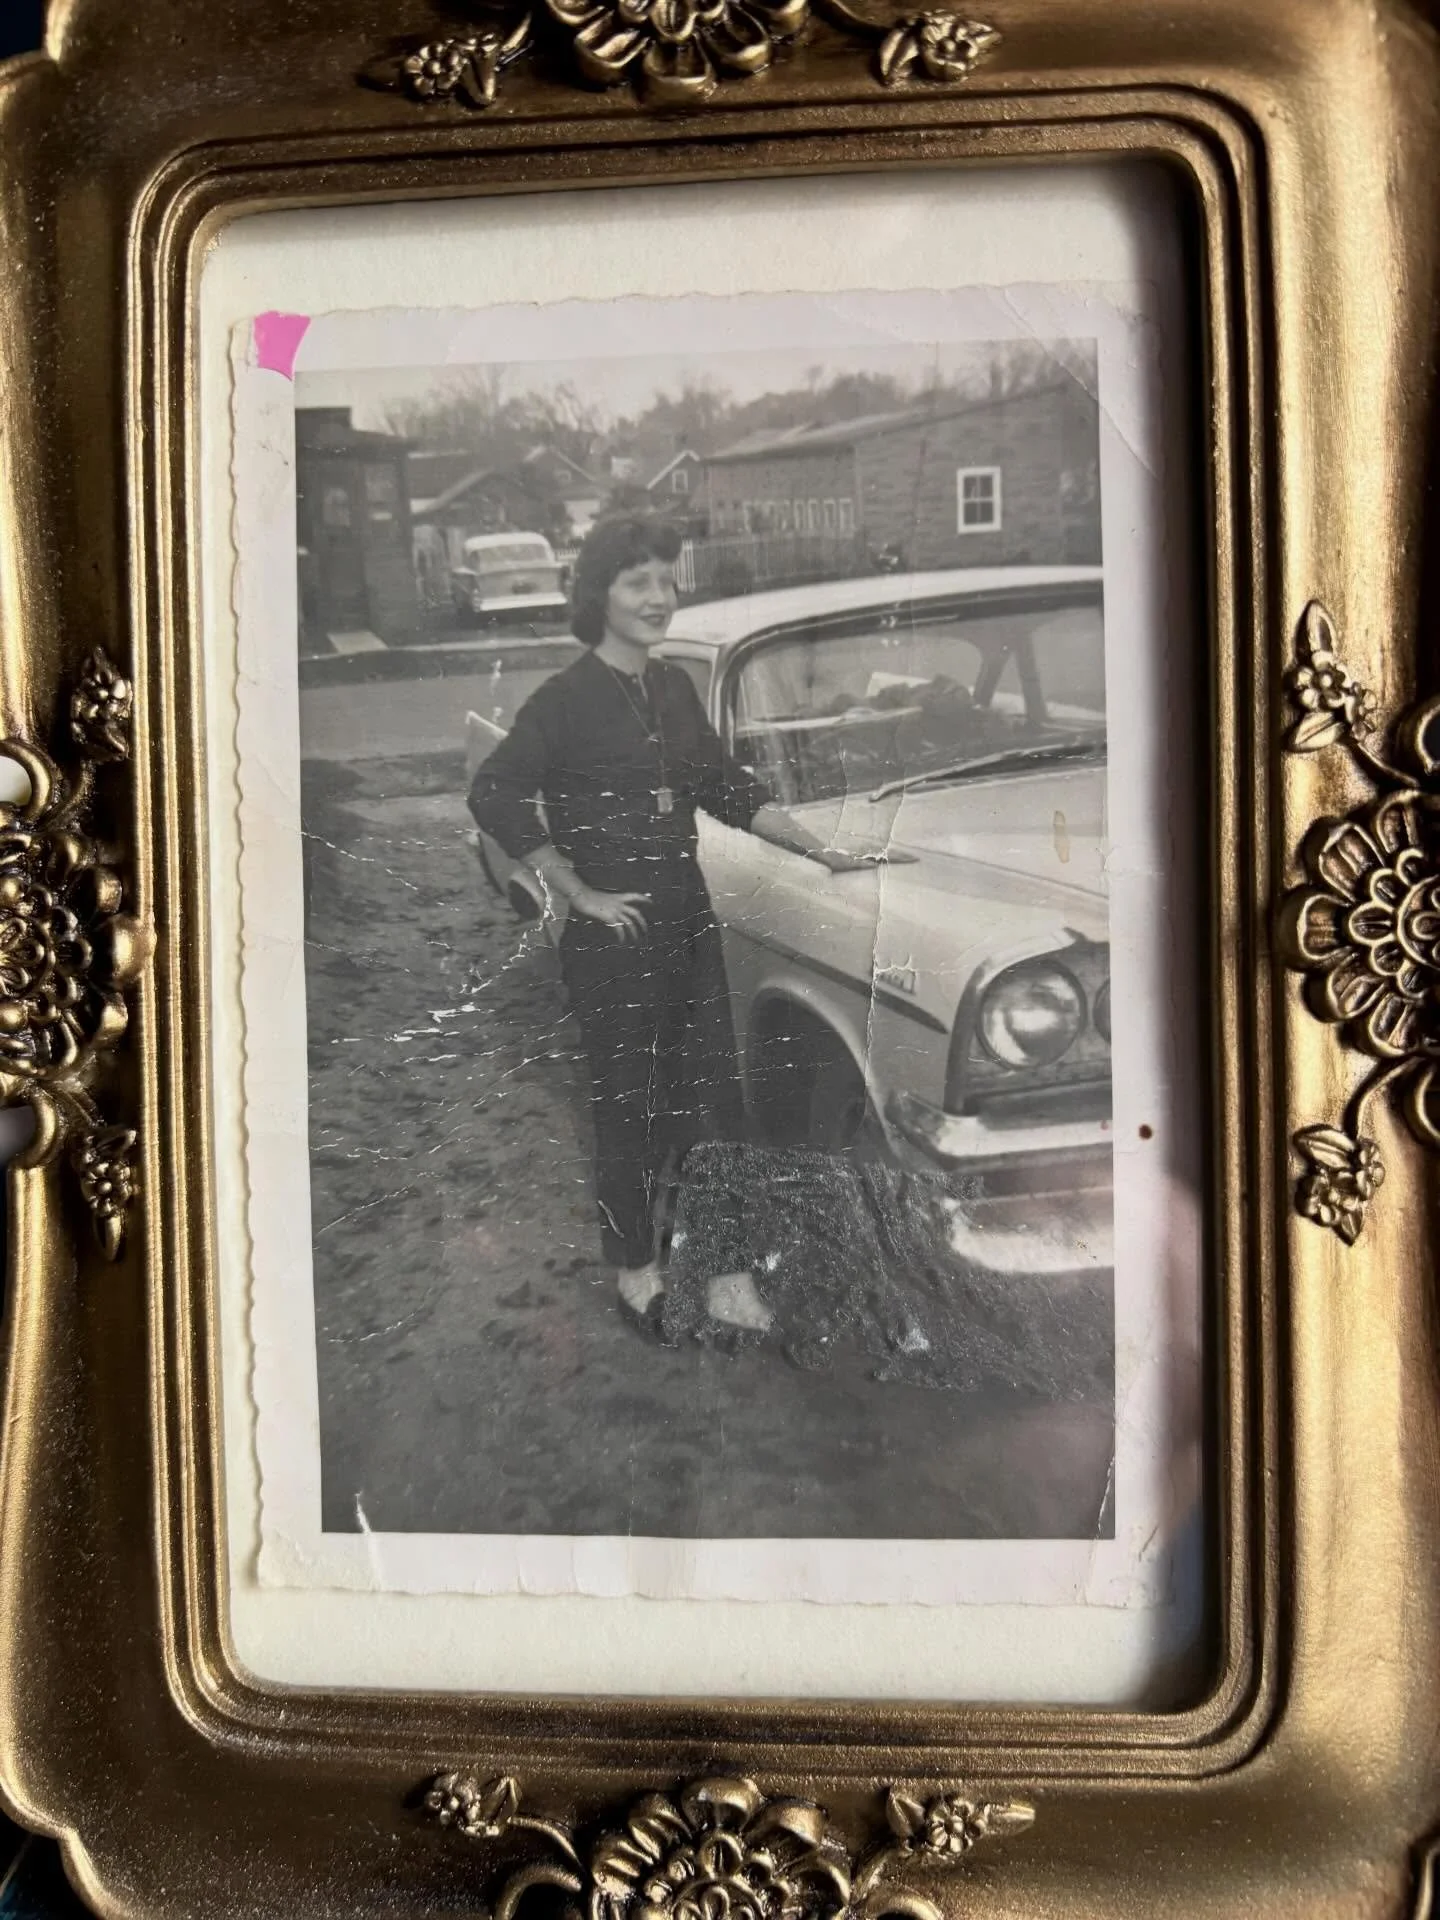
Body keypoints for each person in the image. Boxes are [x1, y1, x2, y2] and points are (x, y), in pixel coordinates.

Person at [467, 514, 825, 1340]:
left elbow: (725, 788)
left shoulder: (672, 690)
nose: (659, 595)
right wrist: (574, 889)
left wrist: (823, 849)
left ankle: (731, 1273)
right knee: (628, 1105)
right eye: (639, 581)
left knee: (714, 1097)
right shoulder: (561, 701)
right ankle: (637, 1272)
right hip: (613, 934)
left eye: (667, 578)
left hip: (686, 916)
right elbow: (495, 791)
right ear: (598, 595)